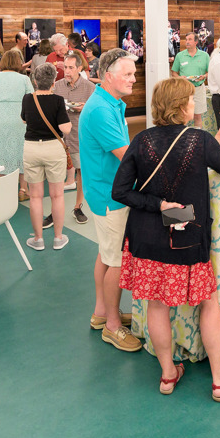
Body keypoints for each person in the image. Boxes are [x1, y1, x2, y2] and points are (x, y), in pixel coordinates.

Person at [112, 77, 220, 400]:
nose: (193, 105)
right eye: (190, 100)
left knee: (156, 304)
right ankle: (218, 380)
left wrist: (158, 203)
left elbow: (120, 191)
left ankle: (168, 374)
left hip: (146, 237)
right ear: (181, 106)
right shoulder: (199, 140)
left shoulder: (141, 140)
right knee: (208, 302)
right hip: (187, 236)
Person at [79, 48, 142, 352]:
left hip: (103, 191)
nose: (134, 78)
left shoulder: (110, 102)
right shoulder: (102, 110)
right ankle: (113, 327)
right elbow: (127, 157)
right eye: (128, 74)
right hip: (109, 195)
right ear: (107, 77)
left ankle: (102, 312)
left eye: (133, 73)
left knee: (106, 255)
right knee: (116, 259)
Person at [21, 63, 71, 251]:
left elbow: (24, 119)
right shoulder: (58, 100)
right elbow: (65, 128)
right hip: (53, 149)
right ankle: (58, 238)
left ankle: (38, 239)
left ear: (35, 81)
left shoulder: (27, 98)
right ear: (53, 83)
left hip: (32, 148)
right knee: (57, 195)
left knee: (35, 196)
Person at [52, 53, 96, 225]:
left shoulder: (89, 87)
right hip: (58, 137)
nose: (67, 71)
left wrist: (85, 108)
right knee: (55, 174)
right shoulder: (56, 86)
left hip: (79, 135)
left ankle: (78, 207)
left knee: (81, 171)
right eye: (65, 67)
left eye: (71, 67)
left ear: (79, 68)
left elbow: (95, 112)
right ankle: (54, 210)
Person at [0, 49, 33, 200]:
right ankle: (23, 190)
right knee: (21, 151)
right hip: (19, 117)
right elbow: (31, 99)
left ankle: (1, 190)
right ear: (19, 63)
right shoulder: (24, 79)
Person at [171, 33, 210, 129]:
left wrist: (204, 76)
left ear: (196, 42)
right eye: (186, 39)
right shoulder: (180, 56)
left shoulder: (204, 55)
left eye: (190, 39)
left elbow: (210, 72)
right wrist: (180, 78)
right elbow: (174, 73)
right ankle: (183, 137)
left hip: (199, 89)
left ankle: (197, 138)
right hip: (184, 90)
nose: (187, 42)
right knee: (182, 116)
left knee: (197, 116)